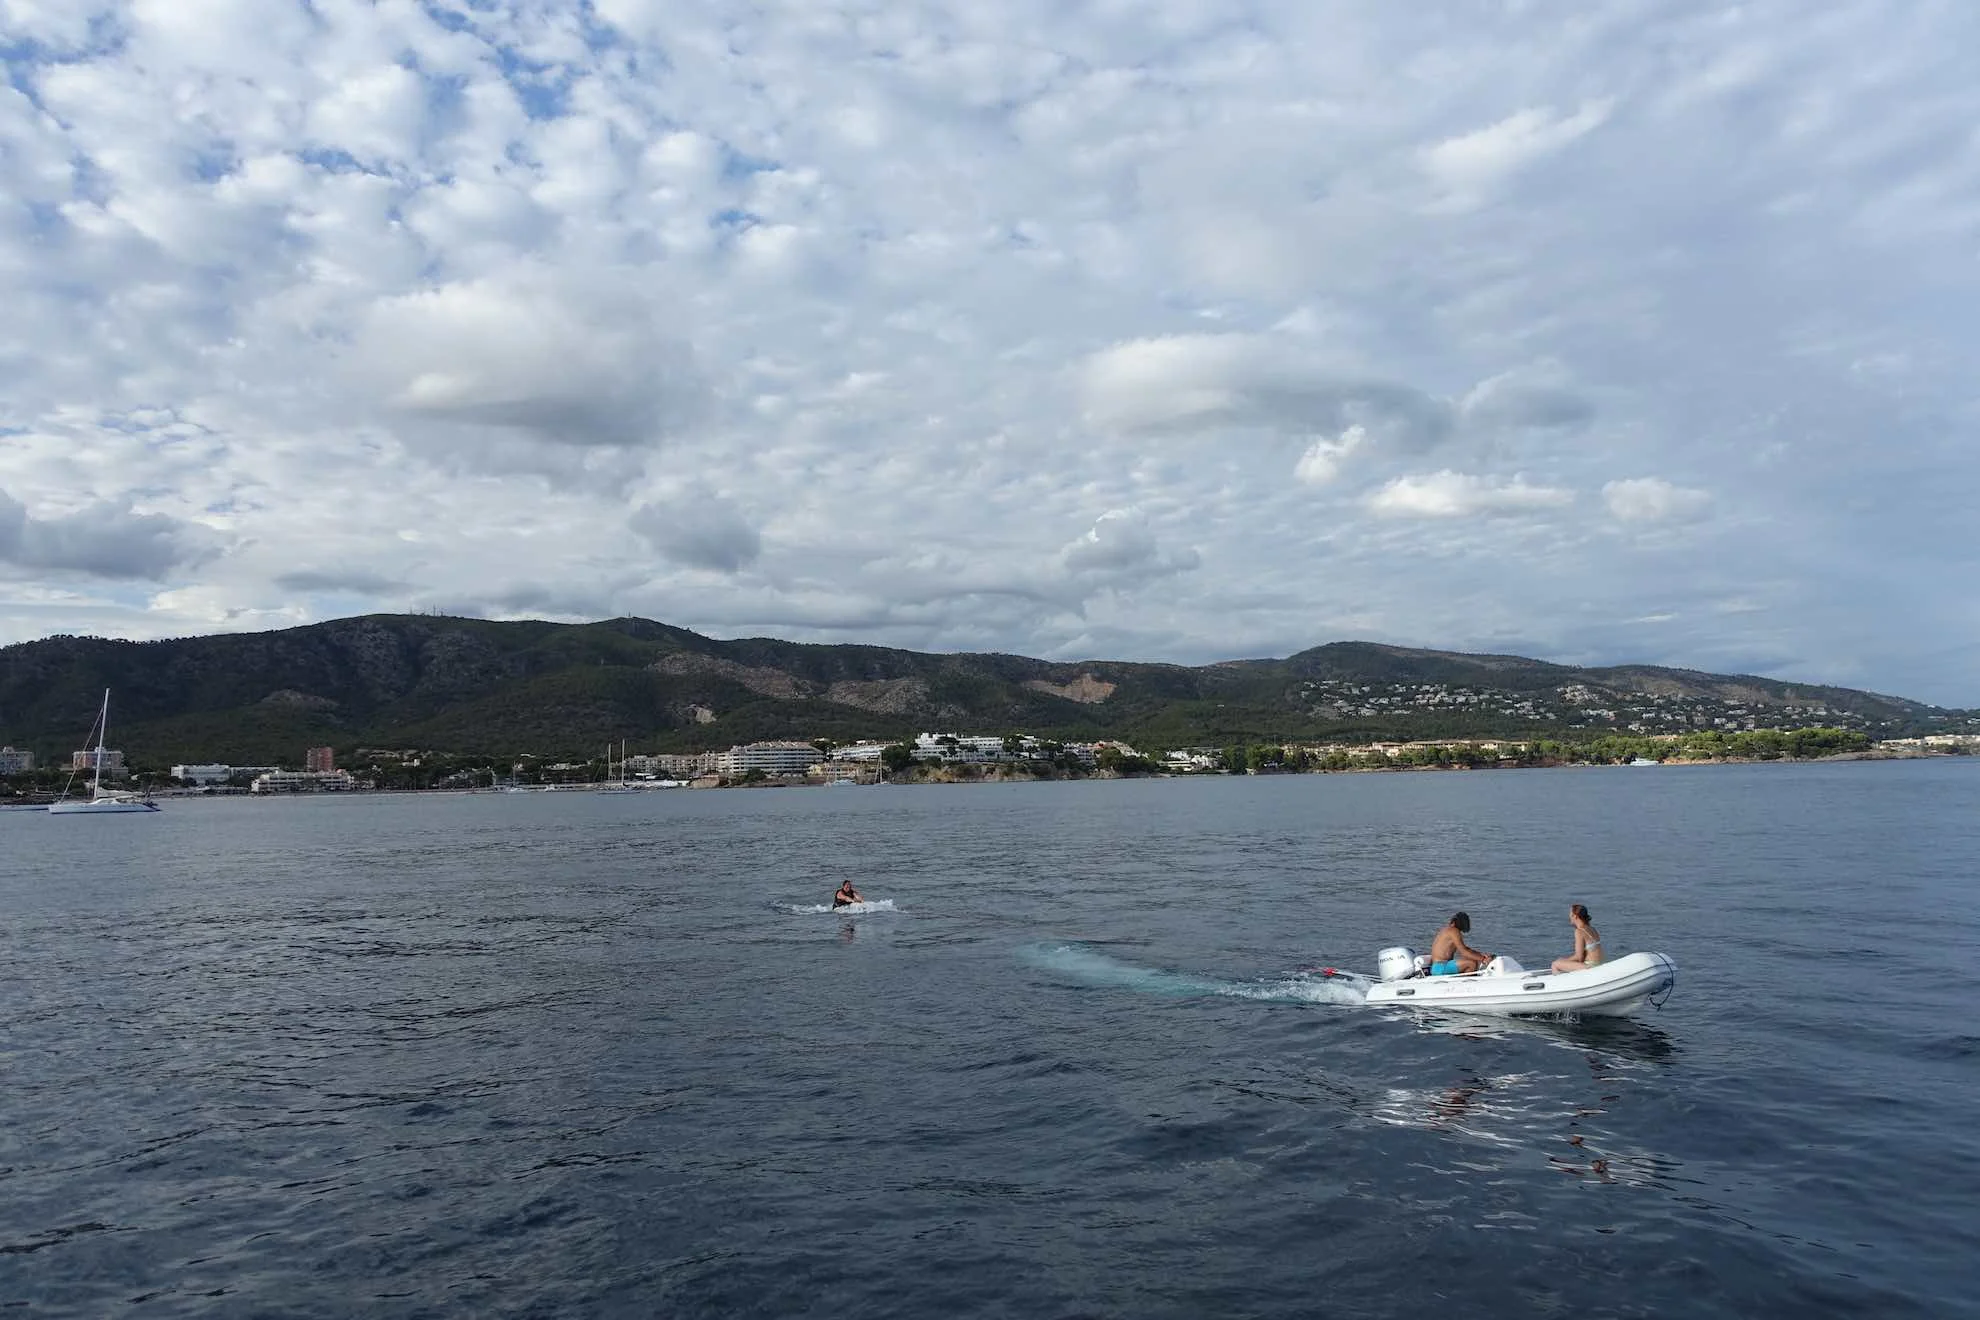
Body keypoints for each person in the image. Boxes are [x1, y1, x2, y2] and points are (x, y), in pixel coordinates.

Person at [1428, 911, 1491, 975]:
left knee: (1472, 960)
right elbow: (1464, 952)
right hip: (1440, 967)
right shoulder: (1454, 931)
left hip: (1438, 967)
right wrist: (1483, 959)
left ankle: (1463, 978)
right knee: (1471, 963)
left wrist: (1481, 955)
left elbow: (1465, 949)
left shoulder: (1447, 930)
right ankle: (1465, 981)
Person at [1552, 903, 1603, 973]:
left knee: (1555, 964)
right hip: (1599, 964)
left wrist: (1564, 960)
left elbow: (1579, 957)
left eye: (1571, 914)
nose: (1569, 916)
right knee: (1562, 962)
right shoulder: (1592, 929)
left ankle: (1559, 979)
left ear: (1575, 916)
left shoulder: (1579, 931)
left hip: (1591, 967)